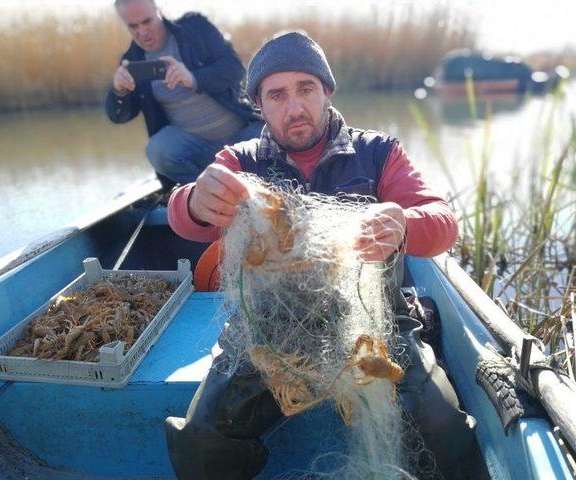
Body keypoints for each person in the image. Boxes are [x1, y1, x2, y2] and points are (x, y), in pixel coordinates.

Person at [165, 32, 475, 479]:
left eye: (306, 89)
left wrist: (405, 224)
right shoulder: (238, 161)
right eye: (277, 95)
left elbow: (443, 222)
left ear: (327, 91)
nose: (294, 108)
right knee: (202, 439)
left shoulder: (379, 153)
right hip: (266, 332)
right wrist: (194, 200)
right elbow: (184, 216)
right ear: (260, 105)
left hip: (375, 325)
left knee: (441, 423)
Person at [105, 0, 262, 189]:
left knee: (274, 135)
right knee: (158, 150)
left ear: (159, 11)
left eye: (147, 22)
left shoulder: (195, 27)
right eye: (133, 26)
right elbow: (119, 116)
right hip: (199, 153)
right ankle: (204, 194)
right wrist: (118, 91)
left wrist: (193, 78)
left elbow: (235, 68)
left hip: (243, 136)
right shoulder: (132, 60)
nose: (142, 32)